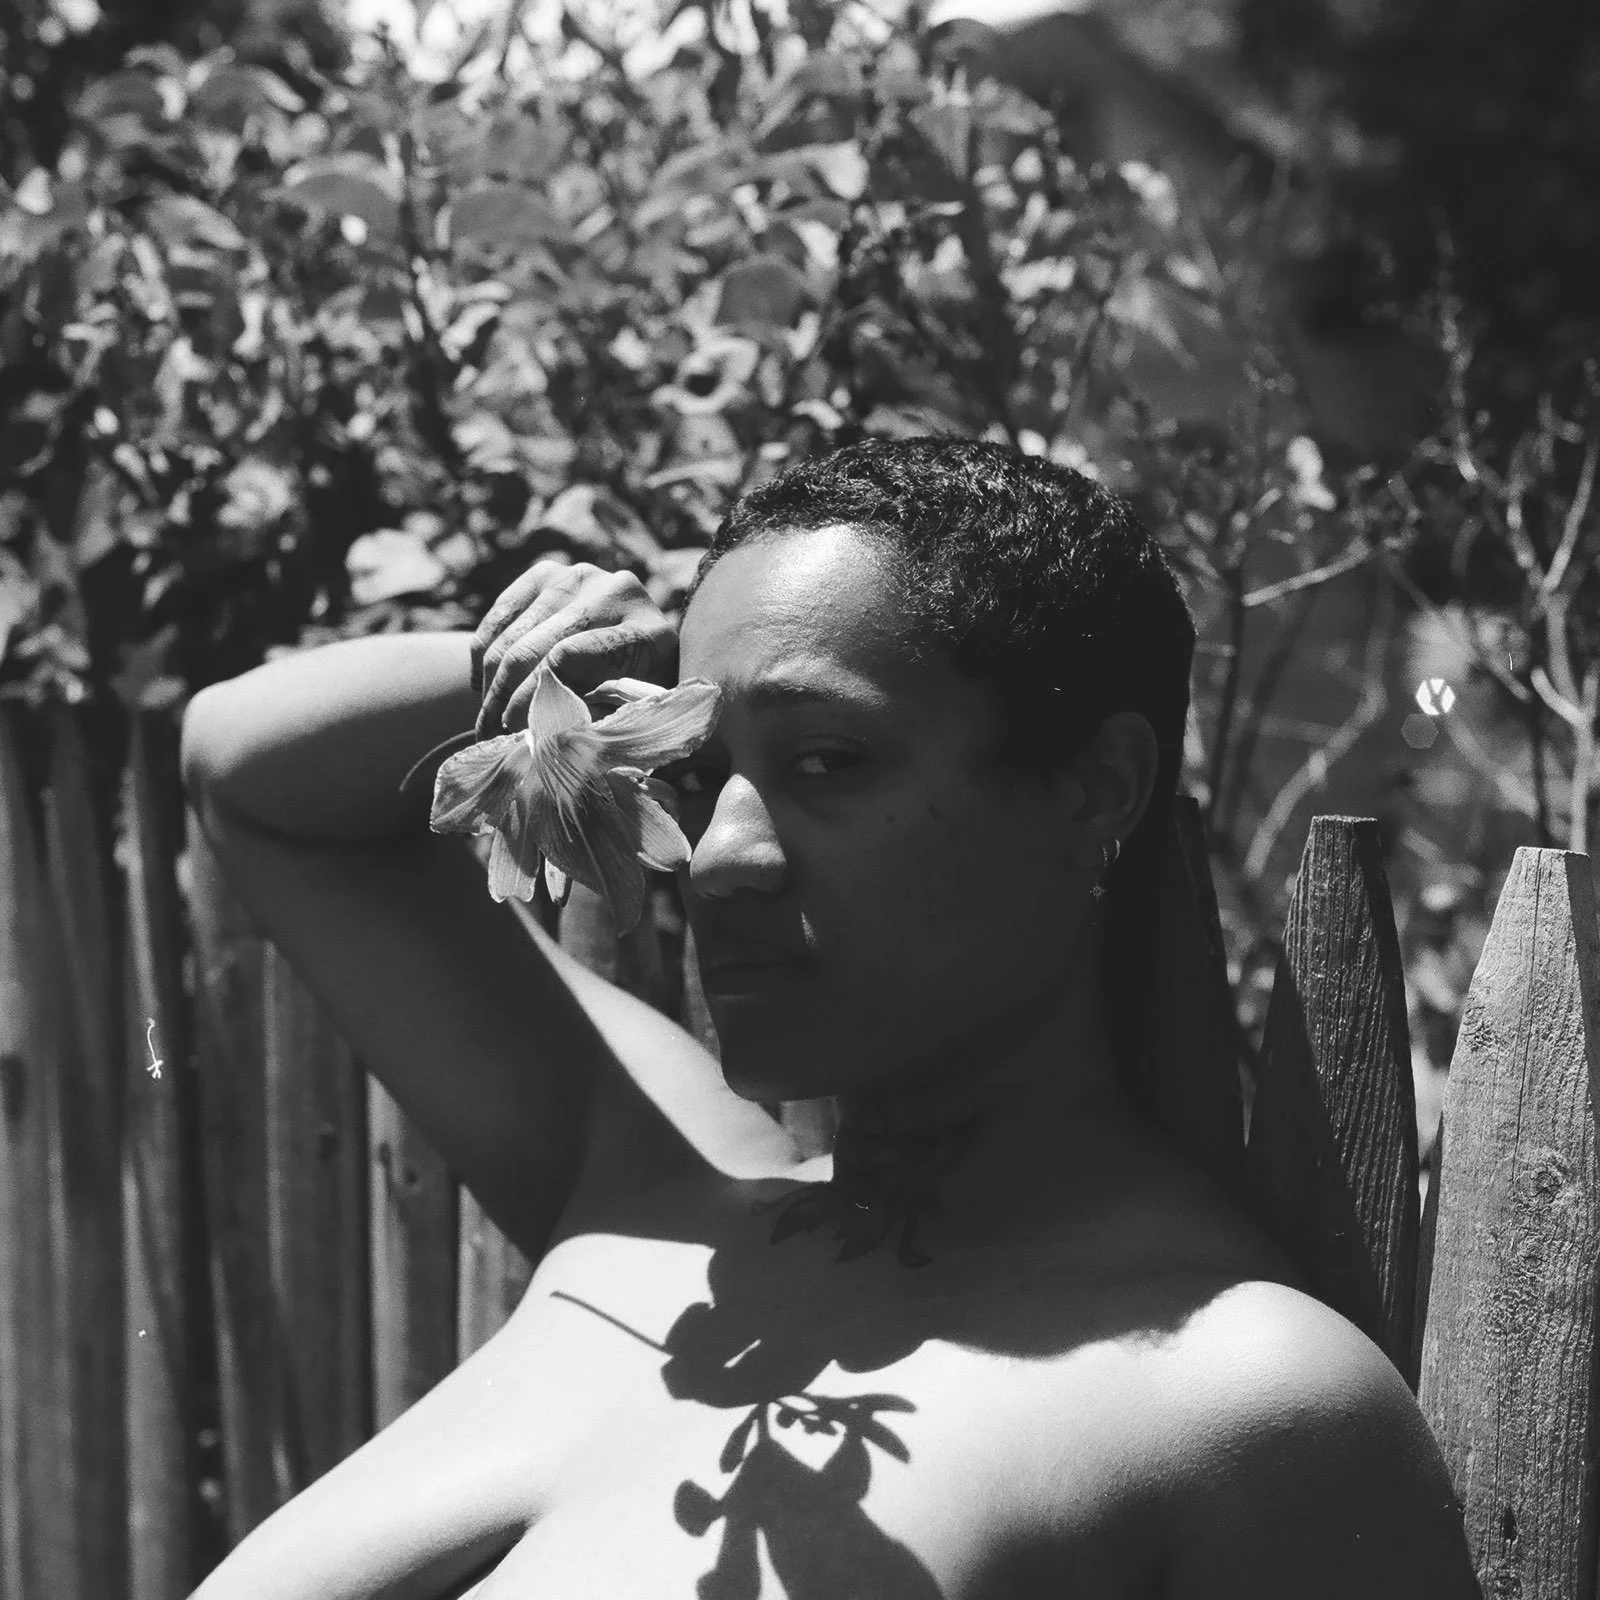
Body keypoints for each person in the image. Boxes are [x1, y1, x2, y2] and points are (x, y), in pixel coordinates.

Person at [180, 438, 1477, 1599]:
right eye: (700, 771)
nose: (719, 856)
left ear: (1098, 786)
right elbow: (239, 768)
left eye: (824, 762)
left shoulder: (1243, 1405)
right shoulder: (655, 1189)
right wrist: (532, 674)